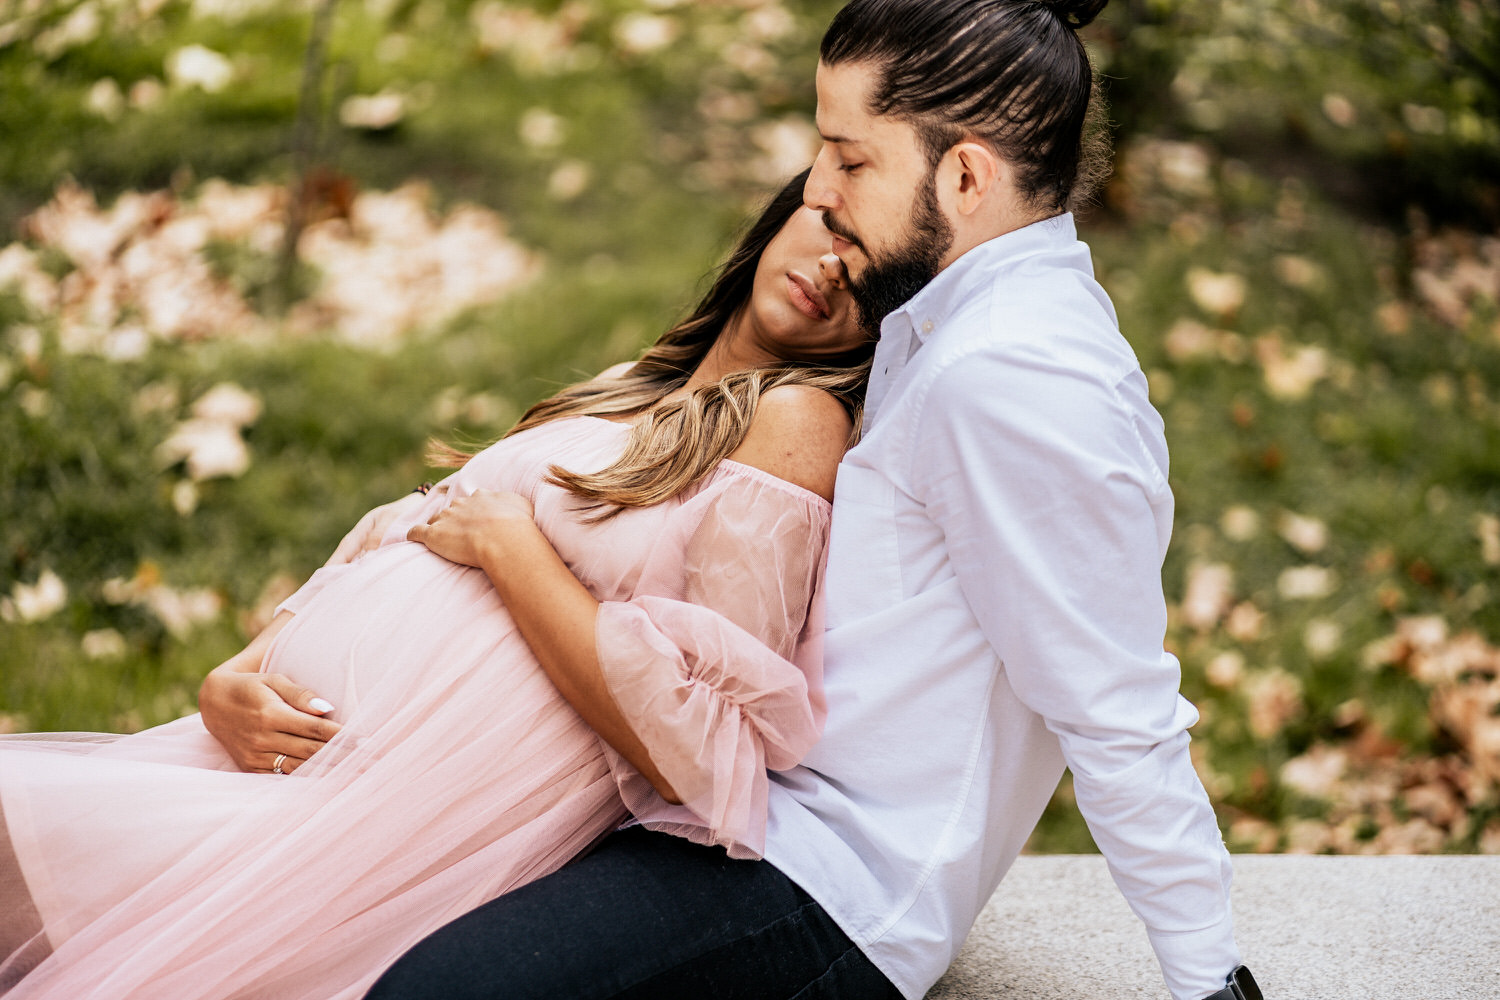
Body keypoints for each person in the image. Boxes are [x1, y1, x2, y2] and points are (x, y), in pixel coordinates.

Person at [357, 1, 1267, 999]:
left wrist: (1211, 980)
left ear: (965, 176)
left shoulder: (1016, 378)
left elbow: (1116, 704)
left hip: (826, 885)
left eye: (850, 158)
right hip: (752, 818)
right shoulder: (952, 324)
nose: (821, 193)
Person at [0, 171, 875, 998]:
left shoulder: (795, 420)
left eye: (870, 284)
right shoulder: (630, 388)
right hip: (288, 758)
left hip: (396, 821)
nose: (833, 271)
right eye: (832, 225)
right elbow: (404, 531)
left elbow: (704, 751)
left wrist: (516, 554)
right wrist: (237, 672)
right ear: (785, 210)